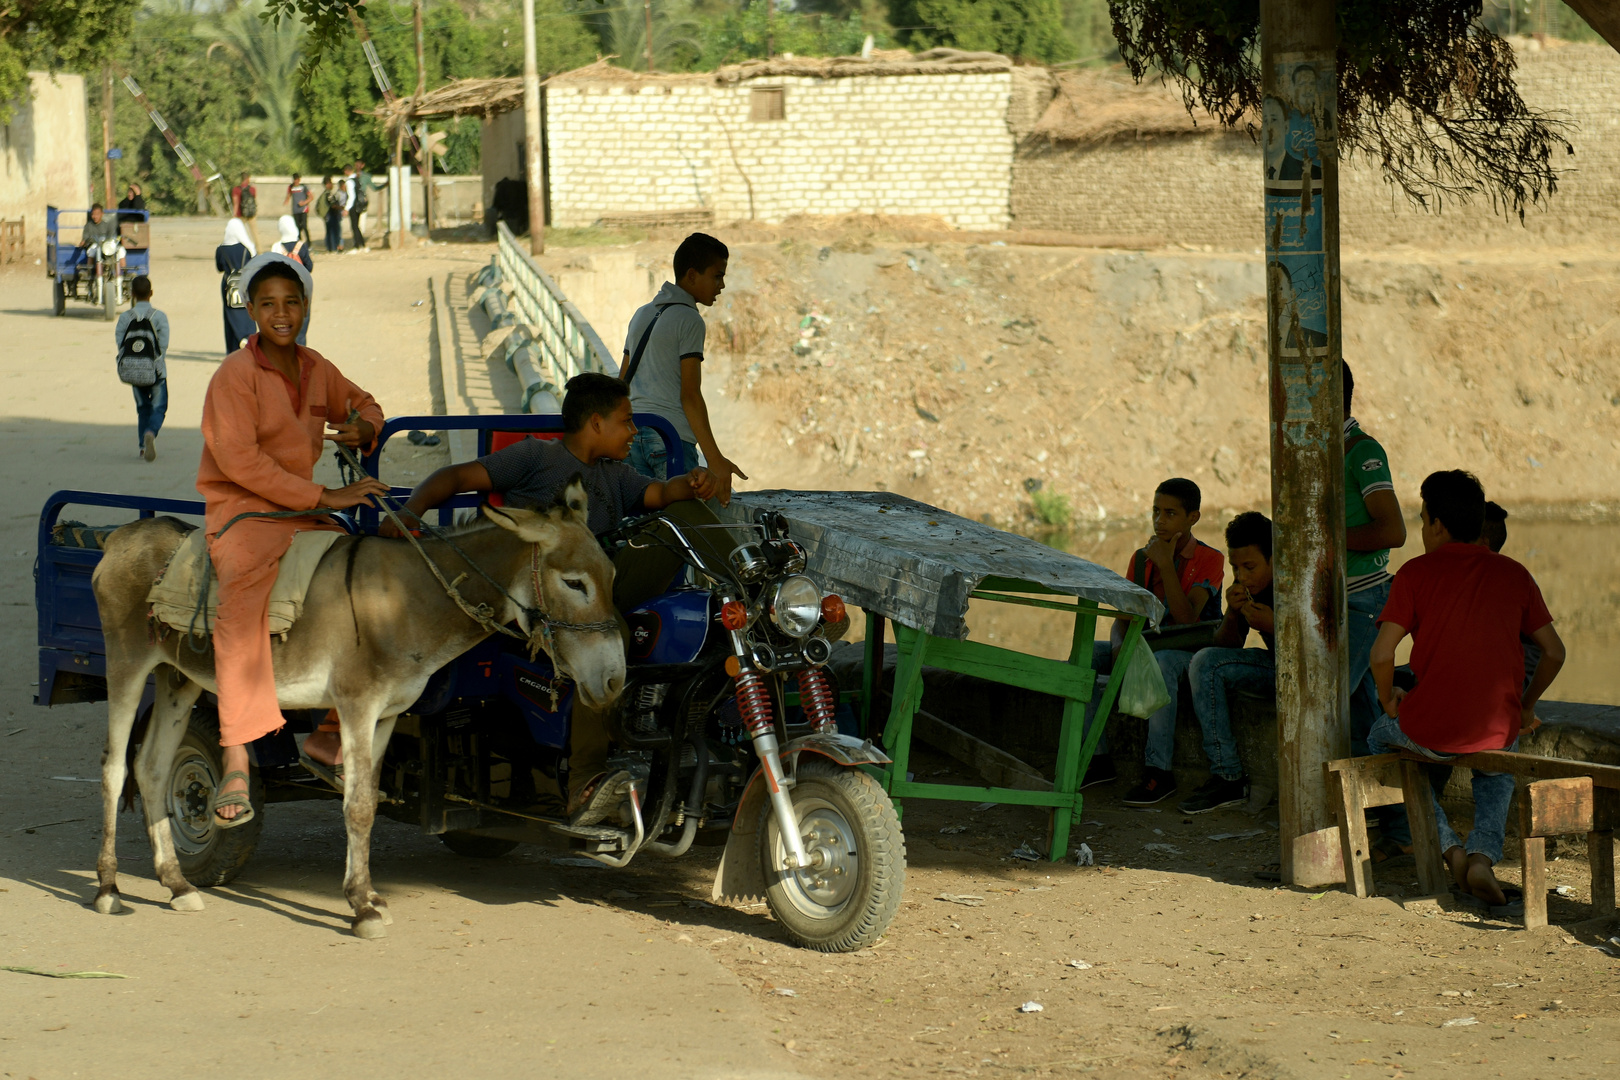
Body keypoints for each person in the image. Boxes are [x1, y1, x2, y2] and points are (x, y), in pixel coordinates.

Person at [382, 373, 723, 826]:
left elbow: (660, 494)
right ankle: (585, 780)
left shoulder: (615, 475)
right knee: (606, 636)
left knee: (678, 519)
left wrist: (693, 483)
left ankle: (756, 594)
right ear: (596, 423)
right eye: (627, 421)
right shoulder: (535, 457)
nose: (635, 432)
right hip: (543, 596)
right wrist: (409, 512)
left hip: (600, 584)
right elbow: (456, 476)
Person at [197, 253, 389, 826]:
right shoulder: (234, 375)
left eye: (292, 302)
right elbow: (239, 461)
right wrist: (323, 497)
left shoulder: (316, 366)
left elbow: (366, 403)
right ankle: (236, 754)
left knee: (365, 580)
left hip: (300, 512)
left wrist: (366, 427)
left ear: (305, 307)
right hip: (244, 513)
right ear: (250, 311)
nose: (282, 314)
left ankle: (332, 730)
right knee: (240, 609)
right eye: (268, 304)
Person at [1368, 470, 1565, 912]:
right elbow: (1554, 652)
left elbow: (1382, 656)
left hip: (1429, 729)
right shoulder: (1514, 573)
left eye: (1421, 521)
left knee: (1380, 737)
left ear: (1437, 524)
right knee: (1498, 770)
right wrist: (1526, 705)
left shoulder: (1415, 573)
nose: (1421, 530)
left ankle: (1450, 849)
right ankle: (1482, 856)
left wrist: (1388, 701)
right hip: (1497, 727)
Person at [1080, 478, 1224, 805]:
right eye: (1156, 511)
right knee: (1087, 654)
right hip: (1149, 645)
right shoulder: (1141, 559)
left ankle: (1159, 772)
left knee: (1161, 665)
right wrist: (1118, 646)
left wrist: (1166, 564)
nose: (1160, 521)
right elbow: (1125, 618)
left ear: (1193, 518)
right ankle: (1098, 757)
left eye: (1171, 513)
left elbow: (1187, 619)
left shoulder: (1209, 559)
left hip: (1190, 652)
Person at [622, 232, 747, 502]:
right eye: (717, 276)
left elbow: (622, 383)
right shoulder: (690, 319)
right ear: (692, 275)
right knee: (683, 528)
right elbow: (690, 395)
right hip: (669, 440)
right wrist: (716, 461)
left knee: (643, 526)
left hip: (632, 436)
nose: (722, 285)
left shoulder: (641, 313)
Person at [1178, 511, 1276, 814]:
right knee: (1206, 662)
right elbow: (1228, 645)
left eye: (1250, 567)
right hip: (1273, 666)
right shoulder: (1245, 587)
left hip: (1306, 671)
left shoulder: (1298, 582)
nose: (1242, 576)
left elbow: (1323, 643)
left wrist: (1278, 626)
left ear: (1275, 559)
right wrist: (1233, 614)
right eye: (1236, 567)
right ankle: (1227, 775)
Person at [1341, 362, 1407, 754]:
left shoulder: (1362, 451)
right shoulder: (1320, 452)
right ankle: (1388, 811)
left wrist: (1326, 542)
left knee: (1328, 701)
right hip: (1338, 597)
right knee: (1364, 708)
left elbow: (1393, 531)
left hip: (1363, 597)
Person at [113, 275, 169, 462]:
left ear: (132, 294)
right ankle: (151, 433)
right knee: (159, 407)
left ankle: (143, 448)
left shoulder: (124, 318)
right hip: (156, 372)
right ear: (151, 293)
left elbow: (120, 344)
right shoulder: (159, 317)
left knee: (142, 408)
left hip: (134, 372)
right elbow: (163, 345)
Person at [215, 217, 258, 354]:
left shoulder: (221, 249)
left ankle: (234, 347)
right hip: (247, 283)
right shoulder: (247, 247)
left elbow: (219, 267)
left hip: (229, 285)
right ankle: (248, 338)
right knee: (249, 311)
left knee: (230, 314)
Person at [272, 215, 313, 346]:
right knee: (301, 324)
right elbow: (309, 267)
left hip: (282, 291)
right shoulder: (301, 246)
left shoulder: (276, 247)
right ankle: (300, 354)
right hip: (301, 289)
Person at [231, 172, 261, 253]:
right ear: (248, 178)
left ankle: (239, 251)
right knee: (255, 233)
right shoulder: (252, 189)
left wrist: (234, 215)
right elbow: (254, 200)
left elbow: (236, 203)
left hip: (241, 215)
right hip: (251, 214)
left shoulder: (236, 189)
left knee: (239, 233)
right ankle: (259, 251)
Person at [316, 176, 345, 254]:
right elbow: (333, 205)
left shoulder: (324, 194)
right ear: (328, 184)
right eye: (331, 183)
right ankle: (333, 248)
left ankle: (330, 248)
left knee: (329, 232)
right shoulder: (329, 194)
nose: (332, 185)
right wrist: (341, 207)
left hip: (326, 216)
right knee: (333, 232)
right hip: (330, 215)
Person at [344, 163, 368, 252]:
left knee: (354, 226)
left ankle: (357, 246)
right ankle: (363, 245)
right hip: (359, 205)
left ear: (346, 171)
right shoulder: (357, 179)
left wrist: (346, 208)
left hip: (353, 206)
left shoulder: (349, 181)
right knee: (357, 226)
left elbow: (351, 196)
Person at [284, 173, 311, 242]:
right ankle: (299, 241)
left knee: (304, 226)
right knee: (297, 227)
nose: (296, 181)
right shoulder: (291, 187)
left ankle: (308, 242)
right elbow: (289, 195)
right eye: (294, 179)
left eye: (297, 179)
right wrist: (286, 201)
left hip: (303, 209)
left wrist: (304, 203)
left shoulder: (303, 187)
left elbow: (311, 197)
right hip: (295, 210)